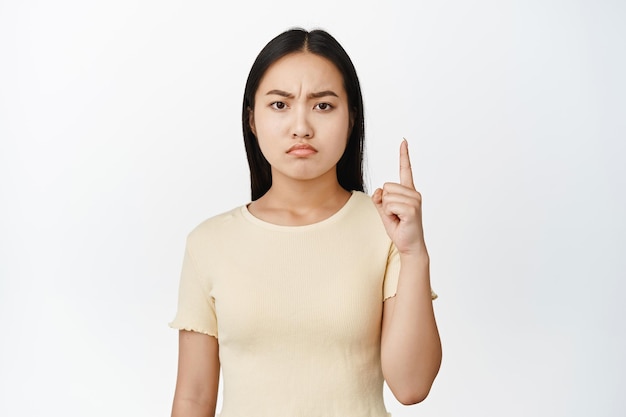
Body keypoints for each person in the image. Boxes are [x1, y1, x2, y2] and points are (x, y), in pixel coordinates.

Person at [169, 28, 441, 417]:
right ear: (252, 119)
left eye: (323, 106)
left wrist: (414, 254)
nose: (301, 127)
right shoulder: (208, 242)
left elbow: (411, 386)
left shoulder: (387, 230)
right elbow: (193, 398)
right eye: (280, 105)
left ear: (351, 119)